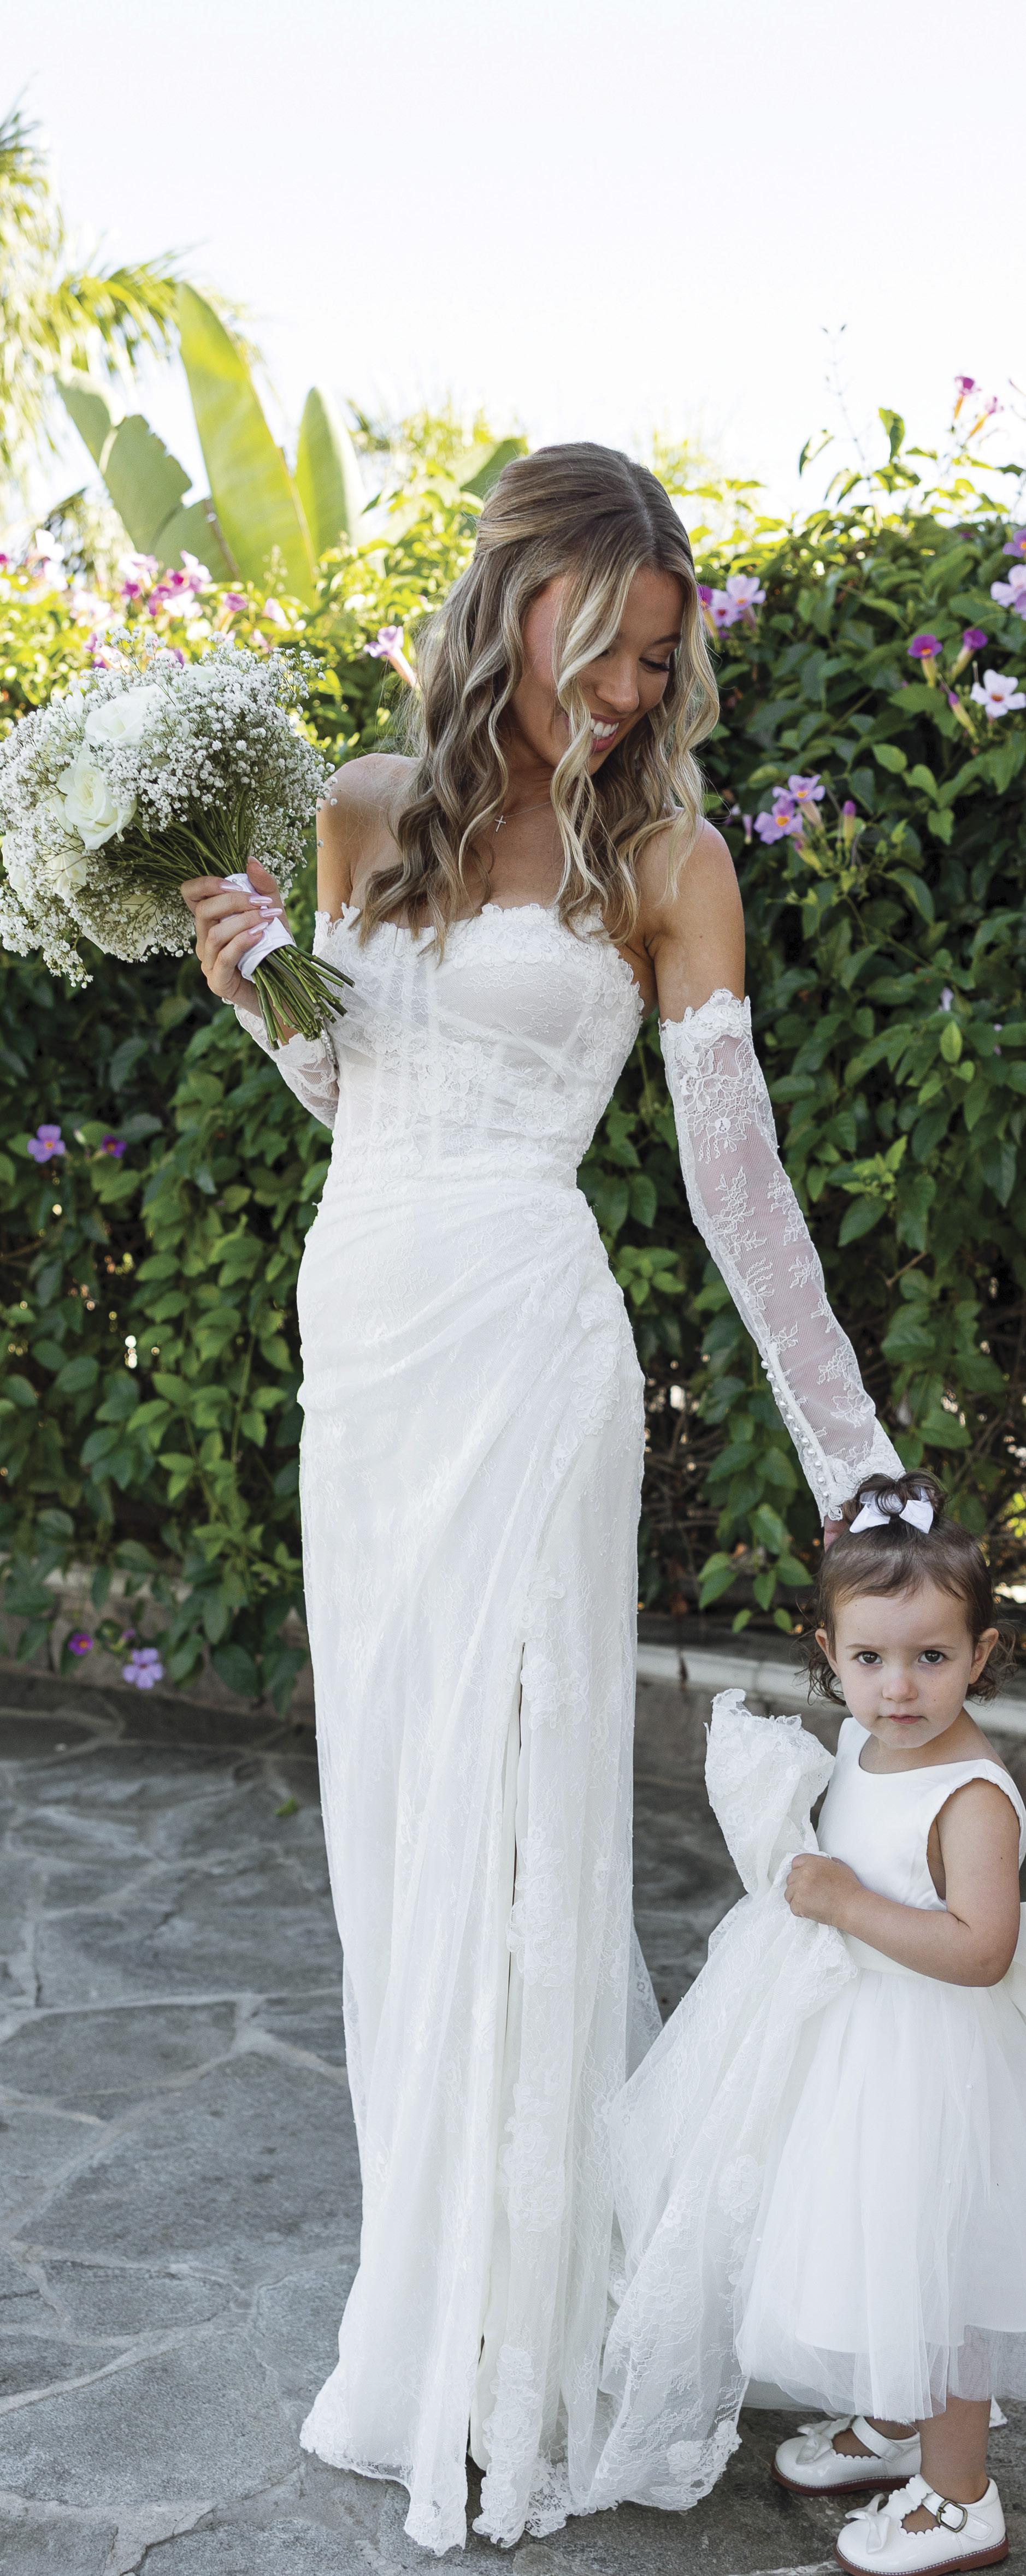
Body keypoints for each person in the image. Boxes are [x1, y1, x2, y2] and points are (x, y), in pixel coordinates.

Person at [180, 442, 901, 2556]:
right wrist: (258, 990)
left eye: (653, 664)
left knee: (519, 1842)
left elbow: (736, 1192)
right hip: (366, 1354)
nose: (623, 698)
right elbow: (359, 1096)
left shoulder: (667, 858)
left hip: (526, 1357)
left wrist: (857, 1467)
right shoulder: (360, 811)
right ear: (508, 608)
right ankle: (429, 2320)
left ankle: (518, 2355)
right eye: (600, 653)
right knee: (401, 1848)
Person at [590, 1472, 1025, 2571]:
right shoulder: (866, 1746)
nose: (898, 1686)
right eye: (869, 1657)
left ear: (980, 1654)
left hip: (934, 2064)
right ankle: (893, 2417)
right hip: (862, 2047)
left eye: (931, 1657)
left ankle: (960, 2496)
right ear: (828, 1652)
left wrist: (846, 1904)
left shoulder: (972, 1793)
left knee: (940, 2277)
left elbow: (982, 1948)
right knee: (880, 2250)